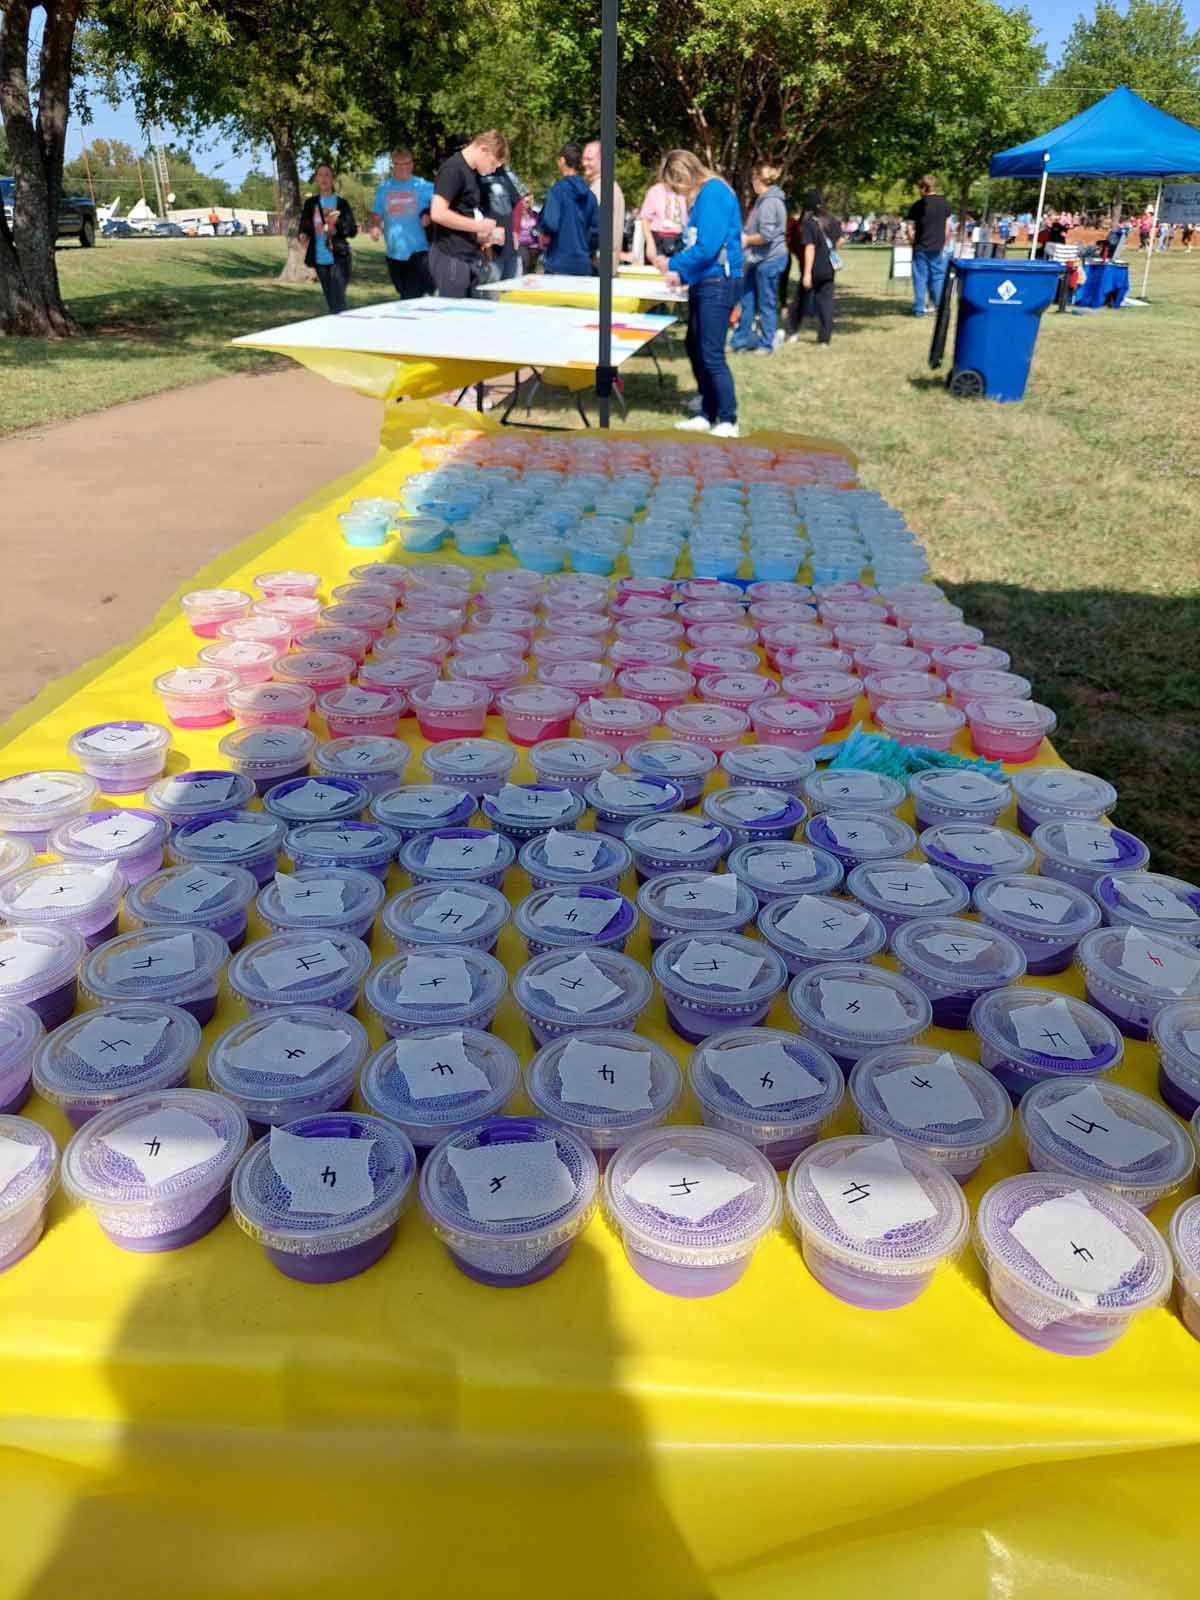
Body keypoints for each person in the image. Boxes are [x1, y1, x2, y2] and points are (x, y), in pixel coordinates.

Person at [654, 148, 743, 438]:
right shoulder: (703, 197)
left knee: (711, 352)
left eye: (675, 185)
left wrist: (674, 265)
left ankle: (728, 419)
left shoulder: (713, 193)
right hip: (705, 280)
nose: (677, 192)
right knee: (694, 345)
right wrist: (684, 274)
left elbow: (708, 247)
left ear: (684, 176)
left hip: (719, 282)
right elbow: (699, 247)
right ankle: (708, 411)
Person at [428, 129, 509, 298]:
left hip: (467, 258)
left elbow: (460, 216)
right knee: (455, 320)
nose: (492, 170)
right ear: (483, 149)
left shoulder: (469, 172)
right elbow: (437, 213)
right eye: (493, 164)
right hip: (451, 258)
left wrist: (483, 235)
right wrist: (478, 226)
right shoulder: (453, 169)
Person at [731, 162, 788, 355]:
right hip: (756, 259)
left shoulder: (770, 202)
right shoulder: (762, 200)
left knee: (766, 303)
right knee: (747, 298)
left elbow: (767, 235)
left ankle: (767, 343)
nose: (750, 184)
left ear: (758, 180)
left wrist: (746, 239)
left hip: (770, 260)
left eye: (752, 179)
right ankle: (741, 340)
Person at [370, 147, 435, 299]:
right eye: (398, 164)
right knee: (404, 293)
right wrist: (375, 226)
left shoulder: (425, 186)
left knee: (410, 297)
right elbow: (377, 213)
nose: (403, 167)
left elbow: (442, 208)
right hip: (394, 253)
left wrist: (429, 215)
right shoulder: (384, 189)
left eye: (407, 163)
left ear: (412, 164)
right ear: (393, 166)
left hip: (420, 252)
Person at [298, 163, 358, 314]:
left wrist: (336, 223)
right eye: (320, 175)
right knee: (331, 301)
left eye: (327, 175)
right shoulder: (310, 204)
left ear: (332, 179)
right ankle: (338, 330)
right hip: (320, 259)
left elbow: (352, 230)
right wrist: (303, 234)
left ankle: (343, 331)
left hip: (339, 258)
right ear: (316, 179)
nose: (323, 178)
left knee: (338, 301)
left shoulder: (341, 204)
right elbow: (305, 225)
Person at [784, 189, 837, 347]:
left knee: (800, 301)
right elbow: (840, 240)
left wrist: (806, 273)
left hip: (814, 268)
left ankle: (793, 331)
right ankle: (824, 340)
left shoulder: (808, 223)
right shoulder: (831, 220)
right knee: (826, 303)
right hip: (829, 267)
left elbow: (809, 248)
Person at [538, 143, 599, 276]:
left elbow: (550, 223)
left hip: (558, 262)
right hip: (583, 264)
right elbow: (596, 232)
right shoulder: (591, 196)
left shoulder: (556, 191)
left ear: (563, 161)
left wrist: (543, 231)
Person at [905, 174, 952, 317]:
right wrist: (944, 241)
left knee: (920, 278)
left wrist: (911, 240)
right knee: (938, 277)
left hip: (920, 247)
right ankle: (939, 307)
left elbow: (909, 228)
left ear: (924, 187)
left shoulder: (918, 205)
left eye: (920, 188)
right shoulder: (944, 203)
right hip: (937, 246)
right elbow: (948, 225)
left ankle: (919, 309)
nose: (919, 191)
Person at [478, 160, 525, 281]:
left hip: (510, 247)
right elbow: (470, 209)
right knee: (490, 294)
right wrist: (482, 238)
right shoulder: (474, 172)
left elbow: (518, 203)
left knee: (512, 294)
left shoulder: (502, 172)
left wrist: (515, 231)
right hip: (490, 249)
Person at [581, 139, 625, 267]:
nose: (584, 163)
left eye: (589, 159)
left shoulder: (602, 189)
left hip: (598, 263)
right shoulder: (602, 186)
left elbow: (593, 229)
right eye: (583, 159)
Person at [640, 164, 688, 257]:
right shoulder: (655, 191)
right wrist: (650, 243)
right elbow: (645, 219)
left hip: (679, 239)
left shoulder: (684, 191)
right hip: (659, 239)